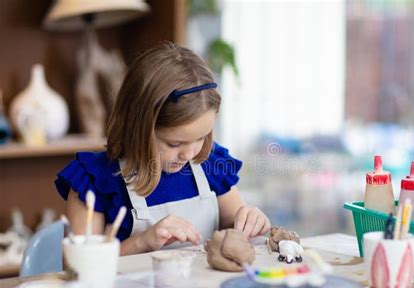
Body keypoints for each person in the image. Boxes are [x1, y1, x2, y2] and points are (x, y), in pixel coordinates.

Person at [55, 42, 271, 256]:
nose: (189, 154)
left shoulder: (211, 164)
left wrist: (251, 221)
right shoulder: (94, 180)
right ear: (137, 128)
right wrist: (142, 242)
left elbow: (237, 230)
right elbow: (79, 267)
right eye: (175, 144)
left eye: (201, 138)